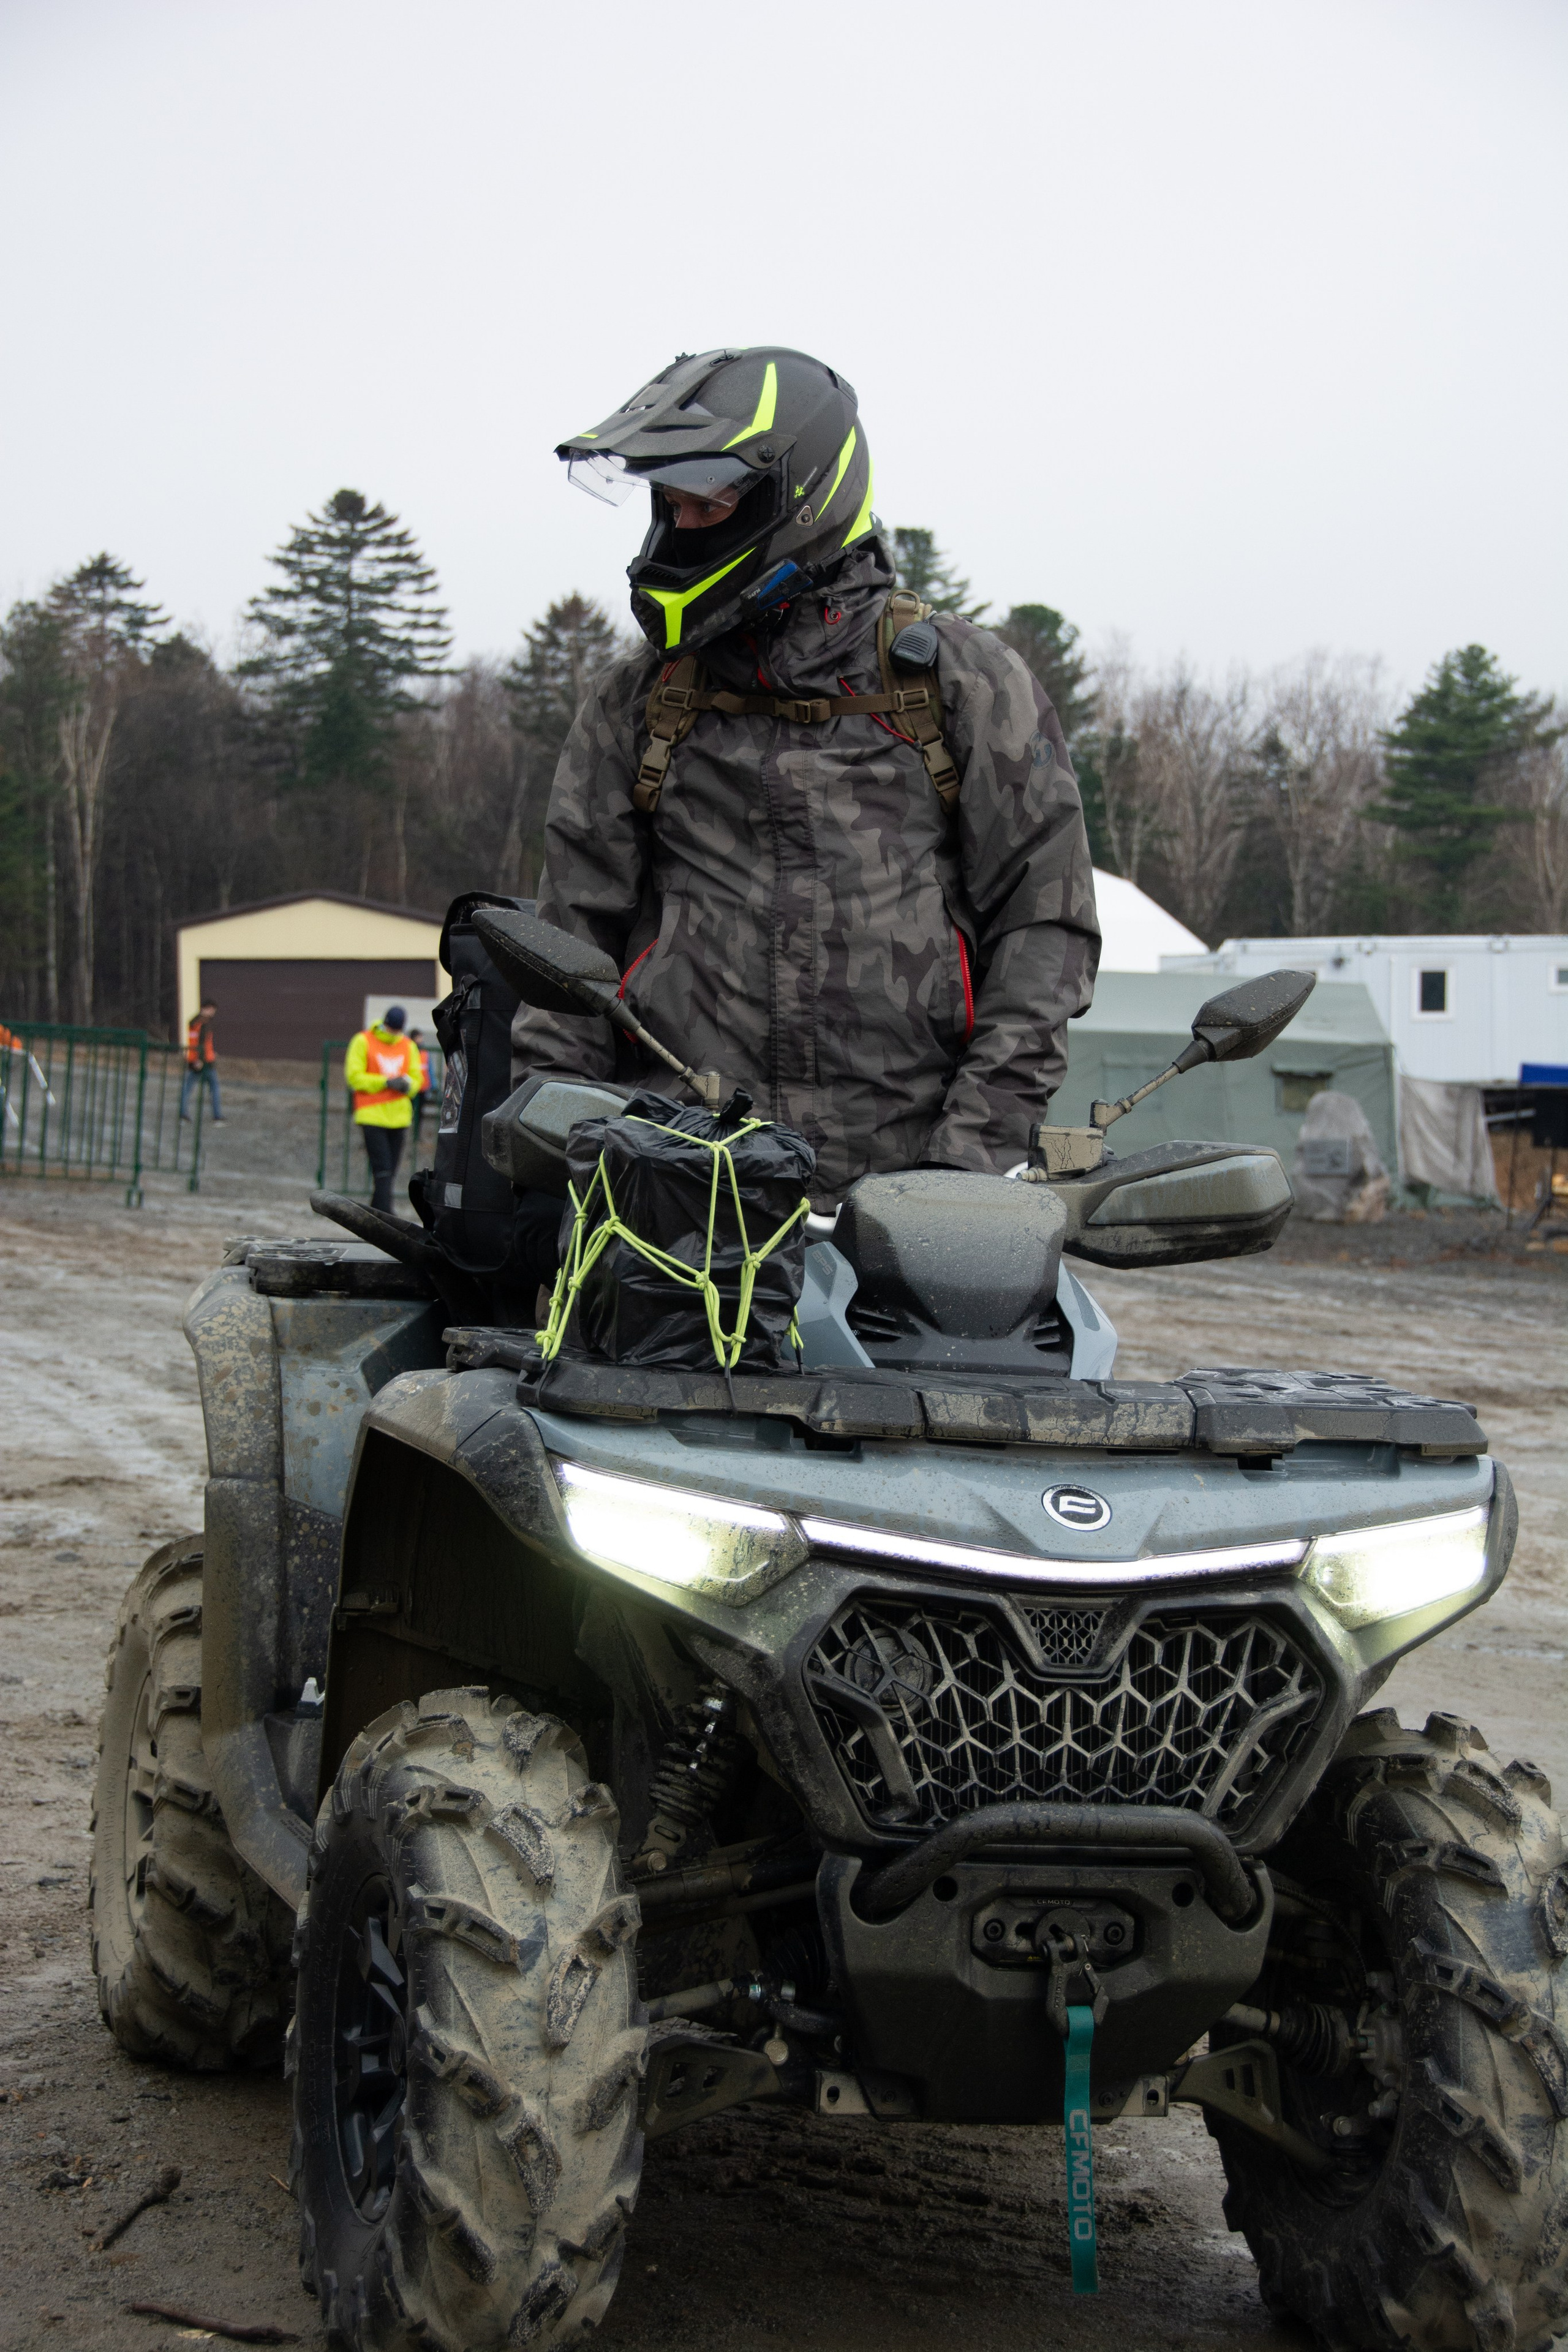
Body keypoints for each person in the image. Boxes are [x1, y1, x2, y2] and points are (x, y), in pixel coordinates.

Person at [512, 345, 1099, 1226]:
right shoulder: (640, 699)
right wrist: (553, 1144)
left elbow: (1045, 932)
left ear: (800, 499)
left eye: (709, 502)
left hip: (910, 1199)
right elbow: (566, 947)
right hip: (675, 1190)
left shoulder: (962, 683)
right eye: (670, 502)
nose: (683, 523)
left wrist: (966, 1171)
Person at [345, 1006, 421, 1211]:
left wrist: (408, 1086)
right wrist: (386, 1082)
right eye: (390, 1028)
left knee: (389, 1172)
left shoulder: (408, 1046)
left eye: (397, 1030)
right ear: (384, 1023)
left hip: (399, 1117)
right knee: (383, 1170)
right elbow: (354, 1077)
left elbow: (417, 1079)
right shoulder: (363, 1041)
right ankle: (388, 1213)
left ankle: (375, 1214)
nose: (393, 1033)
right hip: (371, 1114)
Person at [181, 998, 223, 1123]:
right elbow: (202, 1043)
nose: (213, 1013)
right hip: (205, 1062)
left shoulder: (194, 1022)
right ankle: (217, 1117)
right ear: (208, 1009)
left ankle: (183, 1115)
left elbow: (195, 1042)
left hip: (192, 1059)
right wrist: (201, 1060)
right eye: (212, 1010)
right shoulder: (205, 1024)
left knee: (187, 1088)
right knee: (214, 1088)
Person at [407, 1027, 432, 1149]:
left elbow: (429, 1069)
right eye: (418, 1037)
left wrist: (433, 1084)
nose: (421, 1039)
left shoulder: (425, 1051)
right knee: (409, 1111)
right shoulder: (409, 1051)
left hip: (423, 1087)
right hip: (412, 1088)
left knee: (420, 1113)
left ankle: (416, 1135)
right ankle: (406, 1133)